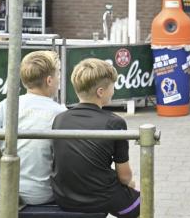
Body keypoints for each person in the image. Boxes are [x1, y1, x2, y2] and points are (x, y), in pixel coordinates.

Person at [51, 58, 139, 217]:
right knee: (143, 205)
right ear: (101, 92)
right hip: (100, 198)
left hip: (64, 197)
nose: (114, 91)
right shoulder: (115, 122)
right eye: (112, 87)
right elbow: (125, 177)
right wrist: (130, 185)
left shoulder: (60, 119)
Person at [0, 50, 65, 204]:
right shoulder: (60, 112)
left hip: (5, 190)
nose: (59, 79)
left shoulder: (7, 105)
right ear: (49, 80)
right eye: (58, 75)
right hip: (44, 194)